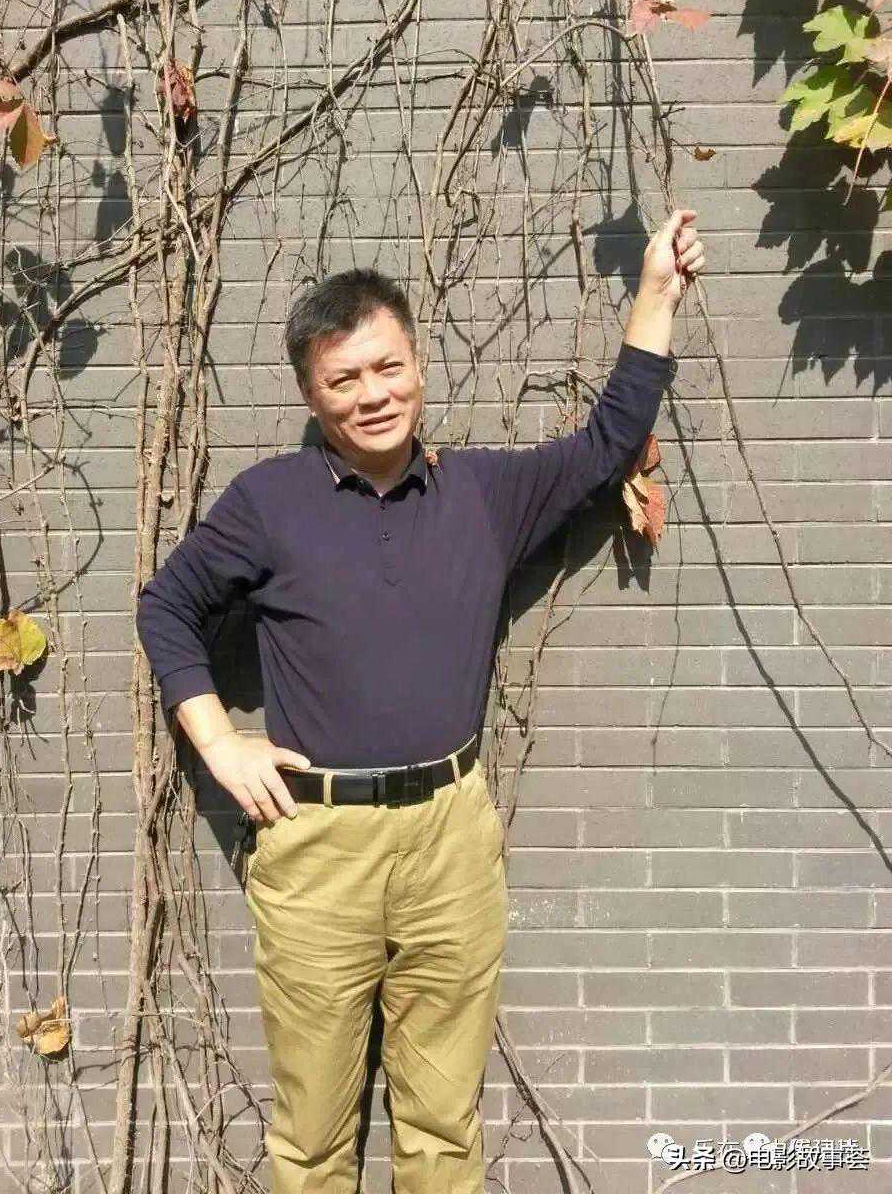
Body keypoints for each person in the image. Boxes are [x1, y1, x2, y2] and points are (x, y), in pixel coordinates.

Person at [135, 208, 705, 1193]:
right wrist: (219, 740)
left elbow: (608, 440)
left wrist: (655, 295)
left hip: (451, 839)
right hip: (318, 847)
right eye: (344, 379)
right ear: (311, 393)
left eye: (387, 367)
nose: (372, 394)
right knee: (313, 1139)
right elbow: (166, 607)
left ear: (418, 365)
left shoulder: (482, 494)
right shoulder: (269, 503)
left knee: (443, 1131)